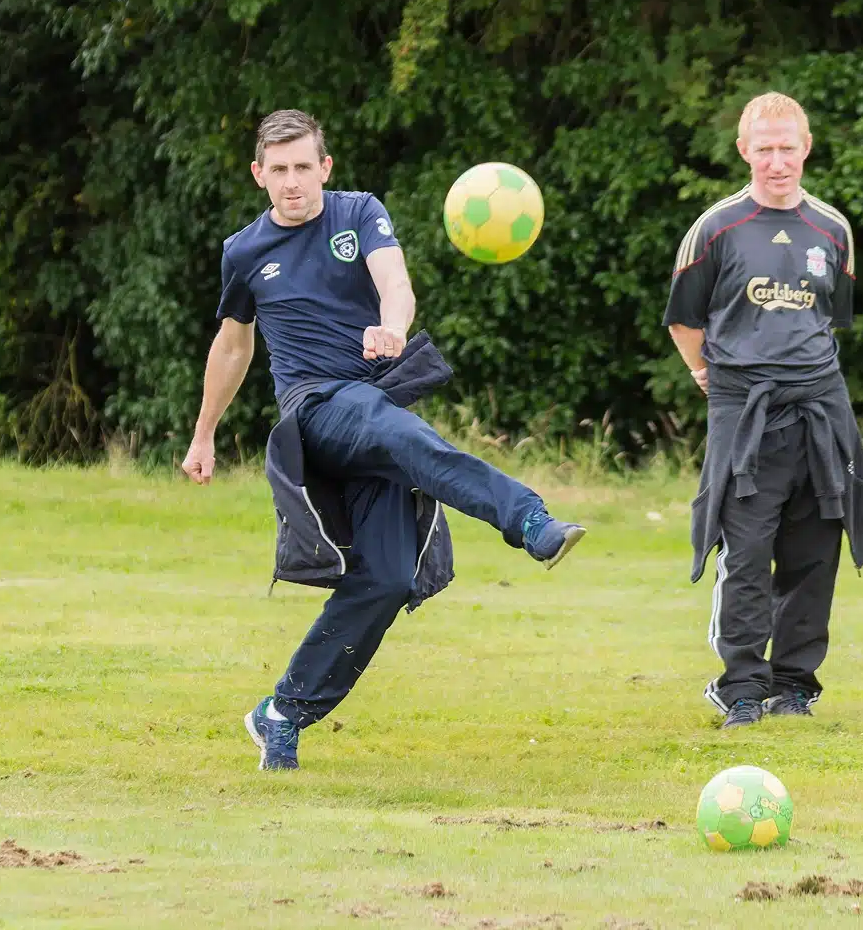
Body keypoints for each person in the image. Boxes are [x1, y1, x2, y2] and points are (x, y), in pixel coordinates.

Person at [181, 109, 585, 769]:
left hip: (373, 408)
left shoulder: (358, 212)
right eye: (278, 170)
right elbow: (233, 345)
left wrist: (392, 327)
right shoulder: (245, 251)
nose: (292, 182)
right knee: (397, 431)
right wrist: (204, 435)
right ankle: (529, 520)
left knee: (388, 579)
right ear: (259, 175)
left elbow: (394, 282)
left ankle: (282, 711)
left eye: (303, 167)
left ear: (325, 168)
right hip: (315, 411)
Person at [663, 92, 863, 729]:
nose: (778, 161)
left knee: (815, 550)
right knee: (748, 551)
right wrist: (707, 374)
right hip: (746, 411)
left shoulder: (833, 230)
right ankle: (740, 690)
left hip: (820, 406)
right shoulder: (715, 227)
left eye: (788, 147)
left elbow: (830, 321)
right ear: (744, 152)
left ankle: (794, 687)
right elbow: (684, 318)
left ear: (806, 148)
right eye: (765, 149)